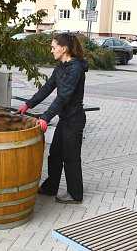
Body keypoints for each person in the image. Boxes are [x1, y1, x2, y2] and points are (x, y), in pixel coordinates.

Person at [16, 33, 88, 204]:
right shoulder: (61, 67)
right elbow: (47, 88)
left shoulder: (75, 69)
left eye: (53, 47)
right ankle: (50, 187)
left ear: (64, 49)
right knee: (55, 155)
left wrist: (45, 117)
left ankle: (75, 194)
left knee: (70, 157)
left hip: (74, 119)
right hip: (65, 119)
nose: (51, 50)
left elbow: (62, 97)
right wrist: (28, 105)